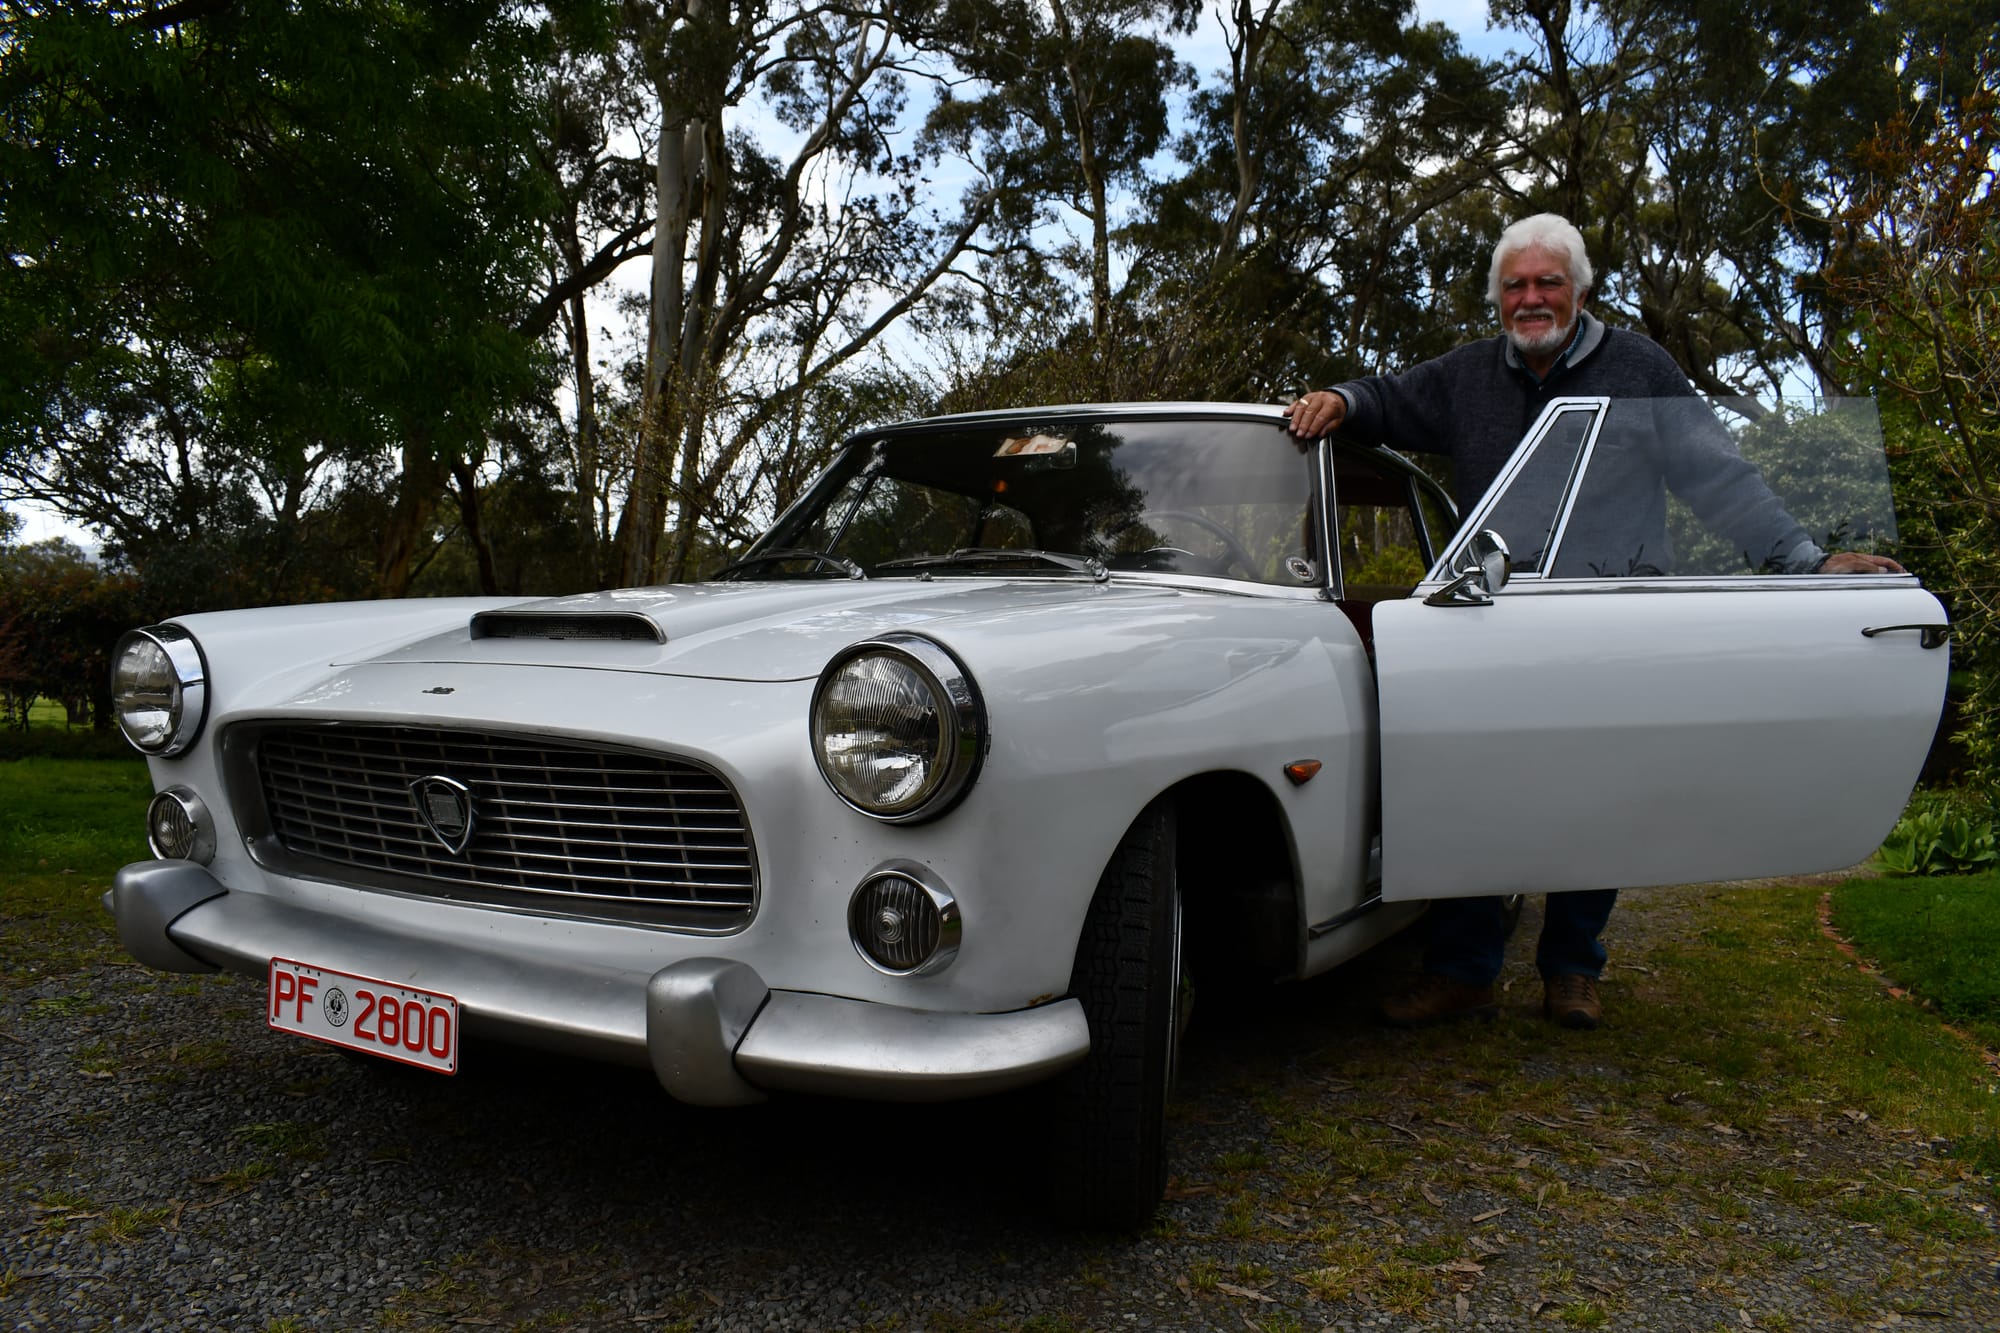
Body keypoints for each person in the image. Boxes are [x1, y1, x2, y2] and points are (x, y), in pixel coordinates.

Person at [1284, 213, 1902, 1031]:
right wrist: (1341, 397)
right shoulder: (1469, 374)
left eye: (1547, 282)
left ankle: (1573, 968)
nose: (1531, 298)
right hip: (1494, 622)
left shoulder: (1640, 367)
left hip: (1609, 621)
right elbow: (1389, 401)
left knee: (1600, 793)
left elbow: (1719, 477)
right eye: (1515, 285)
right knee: (1471, 791)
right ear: (1498, 296)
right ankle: (1463, 971)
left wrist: (1806, 560)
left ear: (1580, 290)